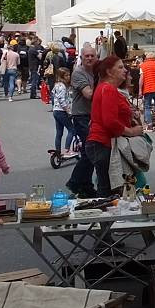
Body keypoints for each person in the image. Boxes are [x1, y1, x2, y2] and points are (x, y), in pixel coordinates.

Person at [87, 56, 145, 197]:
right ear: (109, 72)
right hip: (103, 143)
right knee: (109, 187)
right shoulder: (108, 89)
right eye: (120, 67)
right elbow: (110, 121)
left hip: (101, 142)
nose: (125, 70)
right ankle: (107, 218)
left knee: (108, 185)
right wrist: (131, 131)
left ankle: (108, 216)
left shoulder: (106, 88)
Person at [66, 45, 98, 197]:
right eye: (87, 56)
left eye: (92, 56)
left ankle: (86, 185)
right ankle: (76, 182)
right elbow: (89, 94)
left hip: (92, 116)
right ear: (82, 58)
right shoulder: (78, 73)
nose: (90, 58)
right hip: (81, 116)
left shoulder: (96, 71)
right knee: (89, 151)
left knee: (91, 152)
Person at [51, 67, 75, 158]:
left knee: (59, 132)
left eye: (69, 75)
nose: (68, 77)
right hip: (62, 111)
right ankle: (67, 150)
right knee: (72, 130)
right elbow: (62, 100)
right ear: (61, 76)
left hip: (56, 110)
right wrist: (68, 111)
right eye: (66, 75)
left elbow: (53, 96)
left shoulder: (56, 85)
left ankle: (58, 151)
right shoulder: (62, 86)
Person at [141, 52, 155, 126]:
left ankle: (149, 124)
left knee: (147, 106)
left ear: (147, 58)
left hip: (147, 88)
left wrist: (139, 90)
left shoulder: (143, 66)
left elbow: (141, 79)